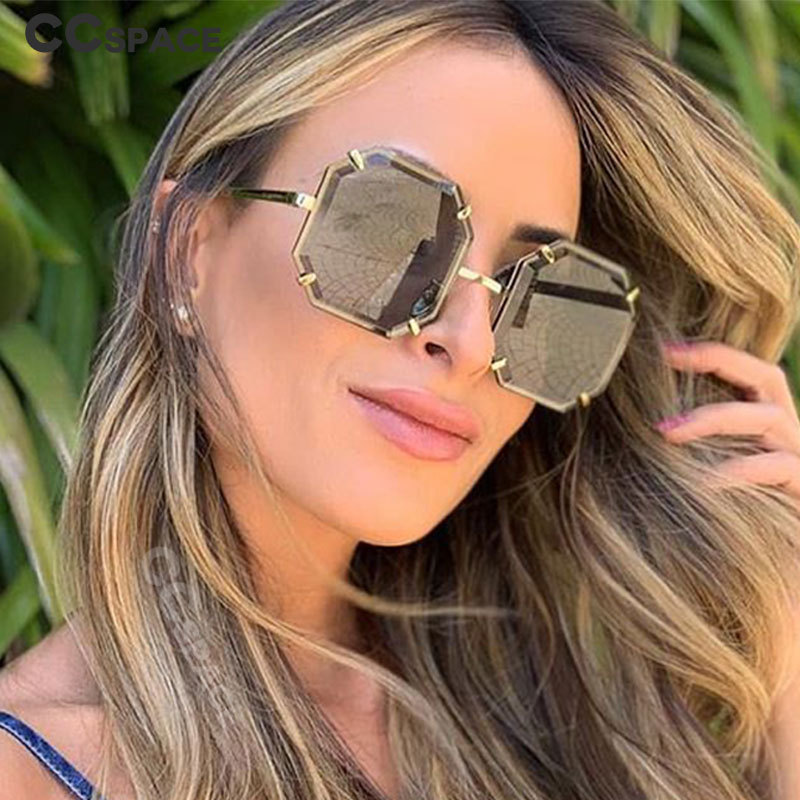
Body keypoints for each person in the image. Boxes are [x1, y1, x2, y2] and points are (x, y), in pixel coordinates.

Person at [2, 1, 800, 798]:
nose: (473, 342)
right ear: (187, 251)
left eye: (537, 288)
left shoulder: (567, 721)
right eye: (389, 233)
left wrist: (785, 637)